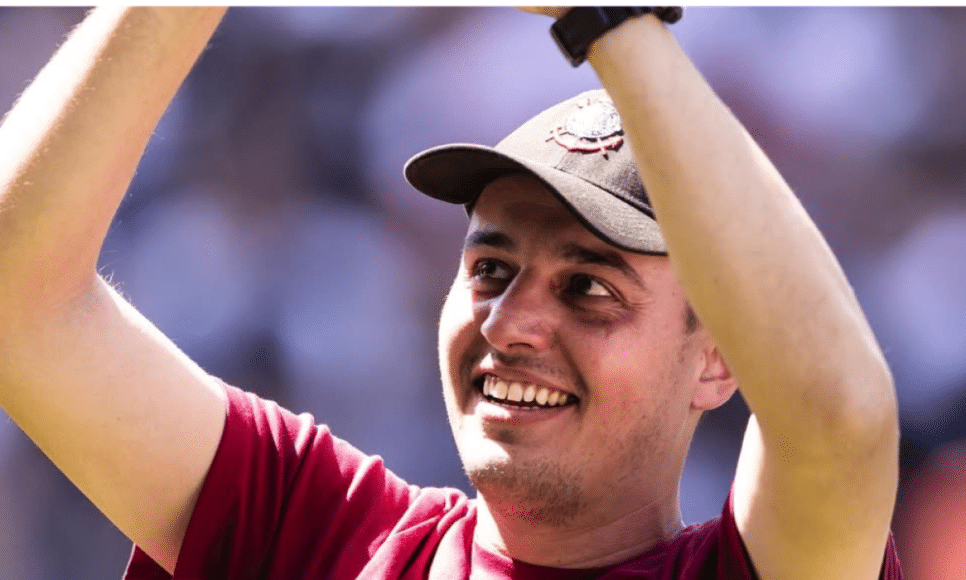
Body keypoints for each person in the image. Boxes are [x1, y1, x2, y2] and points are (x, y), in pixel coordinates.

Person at [0, 6, 903, 580]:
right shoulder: (318, 532)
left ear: (718, 361)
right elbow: (18, 303)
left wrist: (612, 24)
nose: (511, 324)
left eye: (589, 287)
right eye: (490, 269)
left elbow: (841, 422)